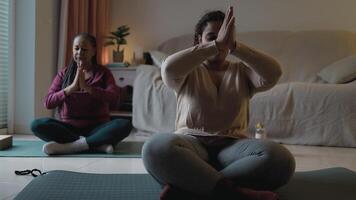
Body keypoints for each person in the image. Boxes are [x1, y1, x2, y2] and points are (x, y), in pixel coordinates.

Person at [142, 7, 295, 200]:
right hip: (192, 145)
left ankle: (190, 185)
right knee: (154, 147)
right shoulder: (187, 70)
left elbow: (274, 73)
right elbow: (168, 68)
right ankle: (233, 192)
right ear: (199, 39)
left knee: (281, 159)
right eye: (212, 37)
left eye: (225, 39)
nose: (220, 44)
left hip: (232, 149)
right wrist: (214, 46)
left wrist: (235, 47)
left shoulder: (243, 72)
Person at [31, 33, 132, 155]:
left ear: (94, 51)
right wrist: (71, 88)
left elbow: (114, 98)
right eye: (76, 48)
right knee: (37, 125)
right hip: (69, 129)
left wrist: (87, 88)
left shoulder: (103, 73)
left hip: (98, 128)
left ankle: (72, 146)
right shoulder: (64, 74)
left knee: (124, 124)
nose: (79, 52)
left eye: (84, 49)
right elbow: (48, 102)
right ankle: (95, 145)